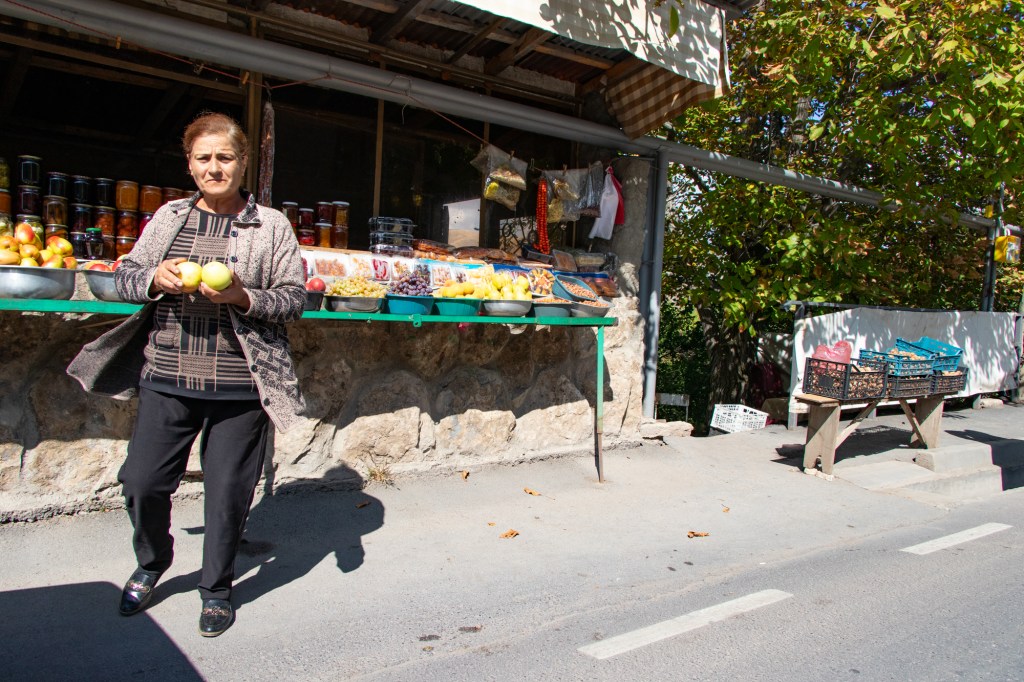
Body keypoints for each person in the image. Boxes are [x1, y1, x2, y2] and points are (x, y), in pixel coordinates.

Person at [68, 112, 307, 637]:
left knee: (227, 497)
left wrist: (242, 296)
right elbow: (126, 278)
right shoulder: (170, 217)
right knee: (141, 482)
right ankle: (153, 560)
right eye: (204, 158)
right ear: (190, 164)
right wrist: (154, 277)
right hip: (168, 375)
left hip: (240, 384)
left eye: (225, 157)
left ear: (243, 162)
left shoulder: (271, 226)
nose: (214, 168)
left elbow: (294, 299)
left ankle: (217, 588)